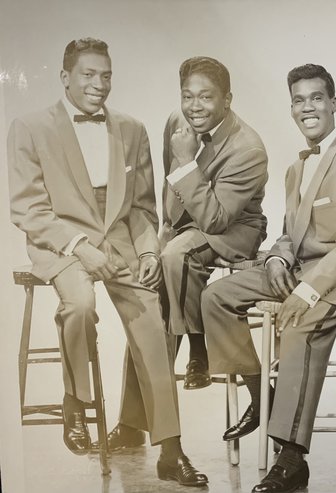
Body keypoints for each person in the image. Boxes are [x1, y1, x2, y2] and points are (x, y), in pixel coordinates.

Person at [7, 38, 207, 487]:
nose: (99, 84)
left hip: (121, 241)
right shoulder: (29, 126)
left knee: (154, 326)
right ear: (65, 77)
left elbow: (141, 208)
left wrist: (150, 250)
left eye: (106, 75)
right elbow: (27, 208)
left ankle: (171, 450)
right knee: (79, 306)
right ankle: (74, 402)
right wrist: (79, 245)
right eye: (88, 75)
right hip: (63, 242)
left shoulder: (131, 128)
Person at [202, 64, 336, 493]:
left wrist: (307, 289)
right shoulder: (294, 169)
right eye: (300, 100)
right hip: (298, 270)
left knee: (299, 323)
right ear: (291, 109)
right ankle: (259, 394)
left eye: (317, 98)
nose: (308, 107)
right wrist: (277, 261)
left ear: (334, 103)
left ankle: (291, 457)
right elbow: (289, 232)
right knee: (215, 296)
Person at [160, 56, 268, 389]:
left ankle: (198, 352)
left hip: (234, 230)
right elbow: (172, 186)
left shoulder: (248, 148)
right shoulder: (177, 122)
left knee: (176, 256)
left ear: (226, 100)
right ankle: (137, 418)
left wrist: (184, 159)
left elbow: (216, 219)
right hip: (186, 227)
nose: (194, 106)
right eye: (187, 96)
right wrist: (164, 229)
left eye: (206, 97)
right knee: (150, 294)